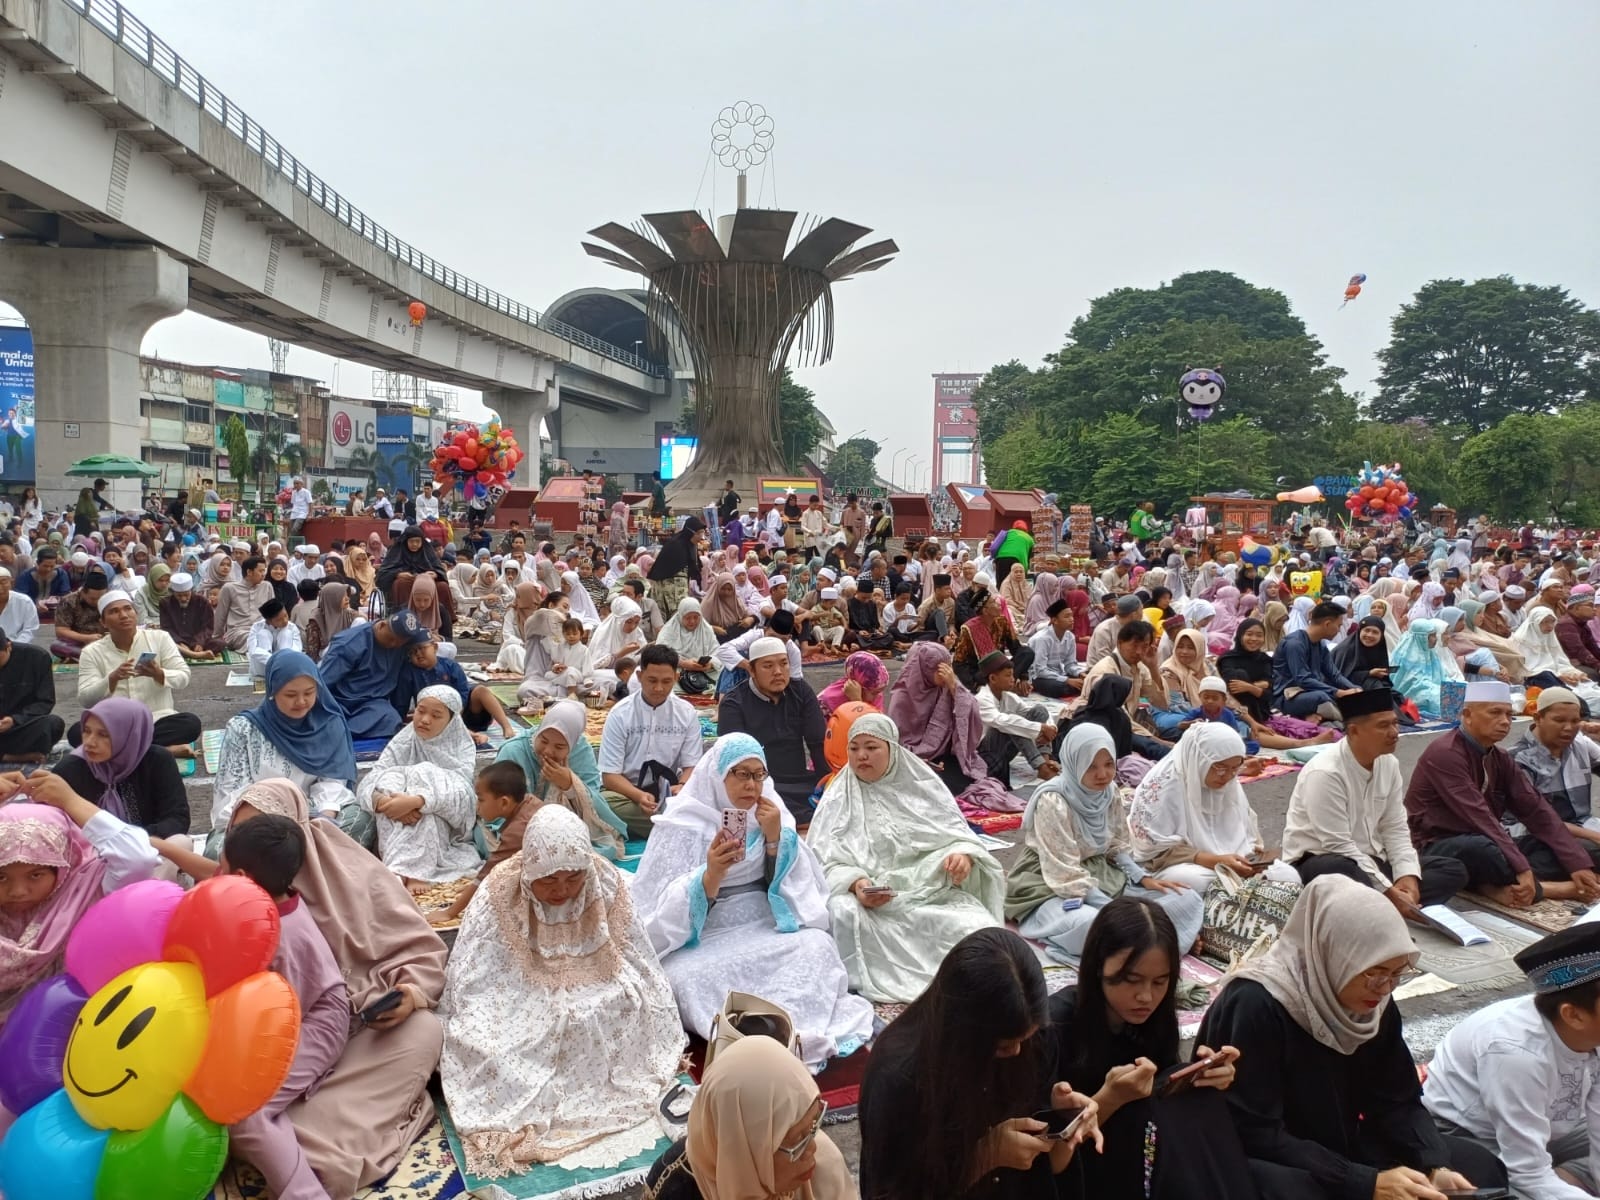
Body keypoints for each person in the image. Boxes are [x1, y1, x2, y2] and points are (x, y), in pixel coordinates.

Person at [1198, 874, 1507, 1200]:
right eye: (1374, 973)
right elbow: (1254, 1132)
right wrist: (1364, 1182)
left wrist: (1433, 1164)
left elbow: (1397, 1100)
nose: (1385, 988)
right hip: (1270, 1157)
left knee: (1475, 1167)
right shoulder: (1256, 1003)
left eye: (1396, 974)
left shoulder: (1374, 1004)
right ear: (1334, 953)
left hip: (1341, 1147)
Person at [222, 781, 447, 1198]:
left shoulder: (349, 871)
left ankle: (305, 1151)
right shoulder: (230, 892)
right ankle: (295, 1149)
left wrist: (407, 995)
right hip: (272, 1046)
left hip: (357, 1037)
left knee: (423, 1031)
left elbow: (417, 947)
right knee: (238, 1106)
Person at [440, 804, 682, 1177]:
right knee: (492, 1044)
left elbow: (634, 951)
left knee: (632, 1008)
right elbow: (478, 970)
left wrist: (613, 989)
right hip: (518, 989)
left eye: (572, 878)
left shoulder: (603, 881)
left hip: (599, 977)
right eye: (548, 880)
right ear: (530, 869)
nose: (562, 890)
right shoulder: (501, 890)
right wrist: (539, 1001)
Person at [631, 733, 875, 1069]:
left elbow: (800, 883)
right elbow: (654, 907)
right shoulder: (683, 823)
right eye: (741, 774)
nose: (752, 785)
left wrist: (776, 838)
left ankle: (791, 1031)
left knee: (817, 945)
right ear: (718, 775)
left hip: (763, 920)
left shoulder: (771, 812)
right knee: (682, 978)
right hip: (705, 934)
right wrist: (710, 875)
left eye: (759, 774)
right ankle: (751, 1037)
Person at [858, 927, 1099, 1200]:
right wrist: (982, 1158)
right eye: (1002, 1046)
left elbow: (1042, 1150)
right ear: (963, 1031)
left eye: (1024, 1039)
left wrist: (1057, 1112)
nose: (1018, 1051)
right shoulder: (899, 1076)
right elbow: (889, 1190)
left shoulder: (1033, 1036)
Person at [1053, 898, 1253, 1199]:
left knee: (1200, 1100)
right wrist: (1109, 1099)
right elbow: (1049, 1157)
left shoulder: (1156, 1018)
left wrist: (1200, 1077)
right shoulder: (1057, 1024)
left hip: (1140, 1150)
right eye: (1131, 980)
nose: (1146, 996)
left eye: (1161, 981)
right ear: (1097, 967)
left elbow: (1162, 1087)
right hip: (1081, 1168)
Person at [808, 712, 1005, 1002]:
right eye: (854, 748)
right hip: (872, 905)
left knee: (978, 931)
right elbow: (820, 862)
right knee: (842, 913)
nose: (862, 755)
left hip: (929, 893)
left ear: (891, 748)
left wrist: (961, 856)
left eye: (872, 747)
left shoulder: (922, 785)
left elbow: (957, 836)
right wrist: (856, 884)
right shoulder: (839, 797)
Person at [220, 814, 351, 1200]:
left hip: (314, 1022)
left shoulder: (281, 934)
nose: (216, 876)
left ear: (242, 878)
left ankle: (307, 1193)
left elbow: (281, 1012)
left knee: (247, 1113)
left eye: (222, 869)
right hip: (288, 1016)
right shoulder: (271, 901)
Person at [1423, 923, 1600, 1200]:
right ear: (1573, 1015)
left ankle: (1565, 1182)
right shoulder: (1516, 1052)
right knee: (1492, 1190)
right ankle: (1564, 1183)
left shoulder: (1590, 1029)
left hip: (1549, 1129)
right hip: (1473, 1135)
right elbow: (1528, 1172)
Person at [1007, 723, 1203, 963]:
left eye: (1109, 764)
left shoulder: (1109, 792)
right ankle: (1160, 941)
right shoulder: (1053, 800)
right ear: (1073, 762)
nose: (1102, 774)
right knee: (1092, 925)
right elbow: (1064, 871)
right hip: (1051, 884)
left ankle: (1147, 942)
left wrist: (1142, 878)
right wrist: (1114, 911)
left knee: (1186, 898)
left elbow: (1116, 844)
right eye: (1091, 766)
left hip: (1104, 877)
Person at [1406, 680, 1600, 906]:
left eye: (1509, 714)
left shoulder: (1499, 757)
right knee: (1481, 850)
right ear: (1468, 715)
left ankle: (1498, 883)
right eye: (1495, 713)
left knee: (1586, 851)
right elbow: (1479, 817)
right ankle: (1548, 888)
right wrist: (1521, 867)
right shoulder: (1444, 753)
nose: (1505, 721)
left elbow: (1537, 811)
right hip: (1438, 843)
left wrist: (1577, 863)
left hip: (1493, 838)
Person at [1284, 688, 1469, 910]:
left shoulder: (1388, 764)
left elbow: (1395, 828)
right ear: (1353, 732)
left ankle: (1383, 906)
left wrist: (1407, 877)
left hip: (1372, 863)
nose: (1394, 732)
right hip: (1322, 862)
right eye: (1383, 726)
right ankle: (1385, 906)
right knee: (1344, 871)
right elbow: (1337, 844)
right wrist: (1388, 890)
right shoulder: (1325, 772)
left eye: (1395, 723)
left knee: (1452, 870)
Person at [0, 787, 159, 1029]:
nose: (18, 891)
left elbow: (138, 859)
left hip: (79, 1033)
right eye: (2, 877)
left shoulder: (84, 890)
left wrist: (72, 801)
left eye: (35, 874)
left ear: (62, 865)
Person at [643, 1034, 854, 1200]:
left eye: (814, 1125)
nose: (812, 1149)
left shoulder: (825, 1169)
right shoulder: (674, 1186)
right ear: (747, 1145)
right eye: (798, 1140)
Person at [209, 651, 368, 856]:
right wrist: (275, 820)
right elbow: (232, 791)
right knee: (217, 853)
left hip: (312, 819)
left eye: (309, 693)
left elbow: (332, 781)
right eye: (291, 695)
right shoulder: (243, 729)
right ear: (272, 691)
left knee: (361, 818)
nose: (301, 702)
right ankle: (309, 863)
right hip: (258, 823)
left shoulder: (329, 724)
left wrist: (324, 819)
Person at [1127, 724, 1298, 892]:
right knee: (1201, 882)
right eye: (1221, 768)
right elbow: (1155, 853)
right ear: (1199, 760)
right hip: (1184, 864)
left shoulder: (1226, 779)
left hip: (1228, 861)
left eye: (1235, 768)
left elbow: (1243, 834)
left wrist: (1250, 861)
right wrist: (1215, 861)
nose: (1229, 776)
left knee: (1288, 876)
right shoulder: (1163, 788)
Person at [356, 685, 481, 891]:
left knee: (425, 774)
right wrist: (384, 802)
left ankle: (411, 871)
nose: (424, 720)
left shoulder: (460, 747)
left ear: (451, 722)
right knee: (389, 779)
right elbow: (371, 780)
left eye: (436, 715)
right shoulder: (404, 741)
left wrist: (418, 802)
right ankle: (401, 867)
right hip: (395, 814)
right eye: (421, 711)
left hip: (437, 818)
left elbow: (463, 795)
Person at [50, 697, 188, 856]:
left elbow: (177, 819)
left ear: (129, 734)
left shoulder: (156, 760)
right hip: (90, 855)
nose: (90, 742)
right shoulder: (71, 768)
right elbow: (52, 824)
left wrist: (128, 841)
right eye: (86, 731)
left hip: (146, 847)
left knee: (180, 842)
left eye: (103, 734)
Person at [496, 700, 629, 859]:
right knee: (504, 850)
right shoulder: (513, 751)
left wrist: (570, 784)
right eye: (543, 740)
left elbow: (595, 803)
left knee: (601, 848)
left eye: (559, 747)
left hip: (566, 828)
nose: (548, 751)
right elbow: (497, 804)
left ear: (572, 743)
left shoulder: (580, 751)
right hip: (517, 830)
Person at [596, 644, 704, 840]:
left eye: (666, 681)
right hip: (627, 795)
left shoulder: (686, 713)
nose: (658, 688)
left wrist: (681, 786)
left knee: (709, 796)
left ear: (676, 679)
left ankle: (663, 826)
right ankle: (677, 829)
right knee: (600, 803)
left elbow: (692, 766)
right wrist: (638, 796)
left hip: (670, 795)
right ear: (639, 676)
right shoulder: (621, 714)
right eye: (652, 680)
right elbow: (610, 776)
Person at [716, 636, 826, 822]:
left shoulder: (801, 692)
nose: (778, 672)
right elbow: (734, 762)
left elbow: (818, 743)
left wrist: (827, 786)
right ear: (751, 670)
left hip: (800, 783)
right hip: (758, 786)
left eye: (783, 664)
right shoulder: (734, 703)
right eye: (768, 666)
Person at [76, 590, 199, 752]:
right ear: (103, 622)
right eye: (114, 611)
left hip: (155, 719)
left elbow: (183, 676)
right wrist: (111, 679)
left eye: (128, 608)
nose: (123, 615)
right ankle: (160, 750)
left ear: (135, 613)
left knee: (190, 724)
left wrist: (159, 673)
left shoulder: (160, 638)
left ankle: (123, 749)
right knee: (76, 733)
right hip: (114, 723)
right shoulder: (91, 652)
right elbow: (85, 699)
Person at [886, 640, 997, 796]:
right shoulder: (903, 697)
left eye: (948, 666)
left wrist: (954, 688)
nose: (947, 672)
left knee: (981, 773)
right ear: (925, 669)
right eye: (941, 668)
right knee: (938, 788)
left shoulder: (946, 686)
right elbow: (897, 744)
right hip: (917, 760)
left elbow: (972, 711)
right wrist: (918, 759)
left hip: (945, 754)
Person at [317, 610, 432, 740]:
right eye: (391, 639)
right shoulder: (349, 644)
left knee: (390, 719)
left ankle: (342, 733)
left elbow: (431, 646)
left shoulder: (403, 643)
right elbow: (322, 684)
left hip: (372, 705)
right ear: (382, 625)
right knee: (327, 724)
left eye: (399, 643)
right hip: (340, 703)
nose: (393, 645)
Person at [1512, 686, 1600, 845]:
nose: (1568, 728)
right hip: (1535, 835)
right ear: (1538, 718)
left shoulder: (1580, 744)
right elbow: (1539, 821)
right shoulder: (1519, 759)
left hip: (1583, 827)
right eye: (1559, 720)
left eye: (1575, 721)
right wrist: (1593, 837)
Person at [974, 651, 1064, 786]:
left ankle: (1044, 760)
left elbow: (1033, 712)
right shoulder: (982, 699)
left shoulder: (1009, 697)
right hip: (986, 753)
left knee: (1039, 710)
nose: (1013, 679)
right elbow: (1001, 721)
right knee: (1013, 723)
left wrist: (1049, 728)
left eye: (1012, 674)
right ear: (992, 678)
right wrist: (1039, 728)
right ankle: (1040, 766)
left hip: (1005, 749)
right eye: (1008, 675)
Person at [1271, 600, 1360, 721]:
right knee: (1322, 697)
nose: (1339, 630)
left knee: (1354, 692)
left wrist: (1354, 689)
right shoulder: (1295, 644)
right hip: (1287, 697)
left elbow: (1334, 674)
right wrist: (1337, 692)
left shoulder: (1320, 644)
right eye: (1339, 625)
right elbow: (1303, 679)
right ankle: (1347, 721)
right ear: (1327, 624)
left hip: (1311, 692)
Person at [0, 627, 63, 762]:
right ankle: (8, 757)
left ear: (8, 646)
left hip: (21, 726)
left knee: (52, 724)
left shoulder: (37, 657)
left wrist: (14, 720)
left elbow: (45, 701)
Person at [656, 597, 719, 693]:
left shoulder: (706, 629)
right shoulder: (669, 630)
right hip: (678, 671)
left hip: (704, 672)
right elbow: (660, 654)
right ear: (680, 616)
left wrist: (710, 664)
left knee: (724, 676)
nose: (692, 621)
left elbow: (717, 652)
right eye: (688, 618)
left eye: (696, 617)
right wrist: (683, 663)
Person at [48, 564, 109, 662]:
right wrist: (86, 638)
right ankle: (92, 656)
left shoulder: (110, 600)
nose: (97, 602)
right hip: (79, 641)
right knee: (57, 646)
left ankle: (89, 657)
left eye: (100, 598)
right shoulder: (68, 601)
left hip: (105, 641)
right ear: (83, 592)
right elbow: (61, 631)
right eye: (93, 599)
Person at [214, 555, 274, 652]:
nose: (263, 574)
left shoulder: (267, 586)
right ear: (249, 572)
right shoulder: (229, 588)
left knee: (280, 635)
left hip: (263, 629)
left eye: (264, 571)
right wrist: (216, 638)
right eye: (260, 571)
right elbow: (220, 615)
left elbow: (273, 613)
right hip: (238, 632)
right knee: (256, 639)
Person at [158, 571, 222, 660]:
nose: (183, 599)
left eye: (186, 595)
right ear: (173, 593)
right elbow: (166, 628)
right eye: (179, 596)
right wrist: (180, 643)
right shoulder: (165, 603)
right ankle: (195, 654)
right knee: (162, 643)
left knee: (219, 643)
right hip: (176, 641)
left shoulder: (202, 602)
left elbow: (207, 627)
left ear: (191, 591)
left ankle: (186, 653)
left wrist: (199, 642)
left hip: (197, 640)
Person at [816, 650, 889, 719]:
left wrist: (857, 701)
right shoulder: (828, 701)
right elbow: (863, 728)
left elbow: (877, 728)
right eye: (873, 693)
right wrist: (857, 702)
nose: (875, 698)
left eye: (878, 692)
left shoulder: (876, 693)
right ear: (856, 685)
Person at [247, 597, 303, 679]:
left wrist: (282, 660)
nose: (285, 621)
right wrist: (274, 660)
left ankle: (284, 670)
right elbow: (253, 650)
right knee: (263, 634)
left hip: (285, 666)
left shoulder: (292, 627)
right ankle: (267, 672)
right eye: (279, 619)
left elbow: (297, 649)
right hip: (263, 668)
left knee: (286, 633)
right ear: (268, 620)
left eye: (286, 616)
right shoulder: (257, 627)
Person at [1332, 614, 1392, 690]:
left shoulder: (1378, 648)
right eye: (1366, 630)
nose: (1370, 635)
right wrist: (1369, 673)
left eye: (1375, 632)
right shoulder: (1347, 649)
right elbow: (1340, 677)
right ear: (1359, 631)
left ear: (1381, 636)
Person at [15, 545, 69, 620]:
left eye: (52, 566)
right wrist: (36, 604)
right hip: (30, 612)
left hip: (56, 612)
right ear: (37, 563)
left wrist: (55, 600)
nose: (48, 569)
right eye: (45, 566)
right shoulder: (26, 575)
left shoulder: (61, 574)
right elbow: (21, 597)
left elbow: (65, 594)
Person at [0, 567, 38, 646]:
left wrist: (13, 646)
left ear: (11, 583)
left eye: (3, 582)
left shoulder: (24, 601)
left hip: (18, 647)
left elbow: (30, 629)